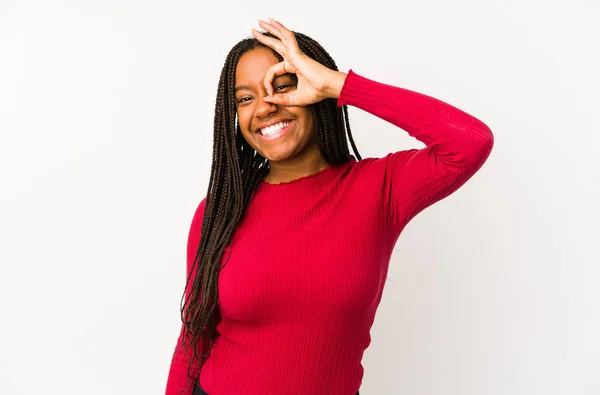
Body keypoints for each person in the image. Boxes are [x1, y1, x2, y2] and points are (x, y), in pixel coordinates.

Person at [165, 18, 494, 395]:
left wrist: (338, 84)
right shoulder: (219, 211)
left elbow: (469, 143)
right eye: (245, 98)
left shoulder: (379, 189)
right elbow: (194, 338)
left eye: (282, 87)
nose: (264, 108)